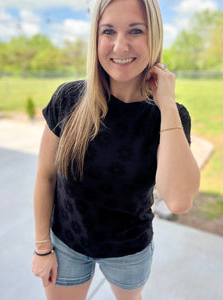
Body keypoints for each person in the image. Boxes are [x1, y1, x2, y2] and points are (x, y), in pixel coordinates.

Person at [31, 0, 200, 299]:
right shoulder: (68, 99)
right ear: (95, 38)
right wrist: (42, 248)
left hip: (129, 250)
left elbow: (178, 200)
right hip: (66, 244)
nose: (120, 46)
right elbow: (46, 177)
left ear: (155, 36)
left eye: (136, 30)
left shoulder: (167, 115)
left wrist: (168, 104)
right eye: (108, 31)